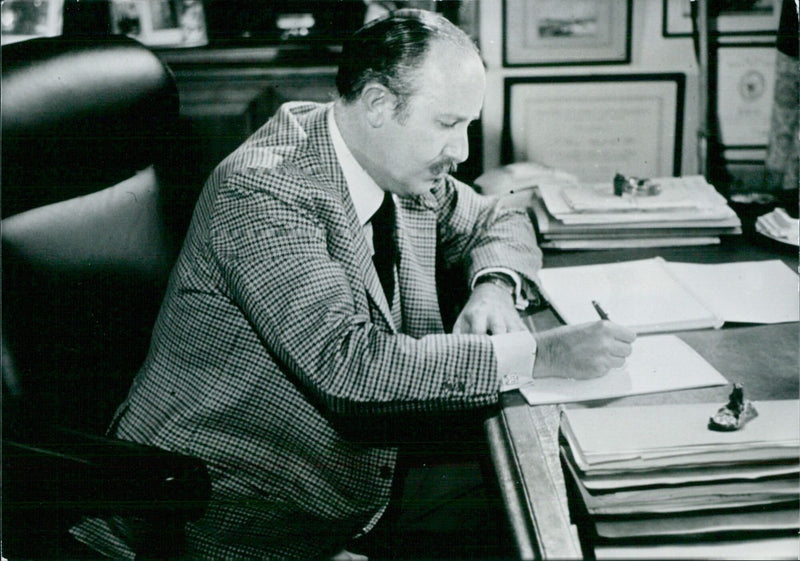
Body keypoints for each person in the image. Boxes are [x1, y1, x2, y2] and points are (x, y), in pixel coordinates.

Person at [73, 9, 635, 560]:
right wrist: (538, 354)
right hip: (227, 510)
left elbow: (499, 218)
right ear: (377, 105)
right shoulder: (264, 194)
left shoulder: (393, 165)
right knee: (542, 521)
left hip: (357, 474)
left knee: (573, 503)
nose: (461, 153)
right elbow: (350, 366)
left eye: (468, 126)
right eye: (447, 125)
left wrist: (492, 286)